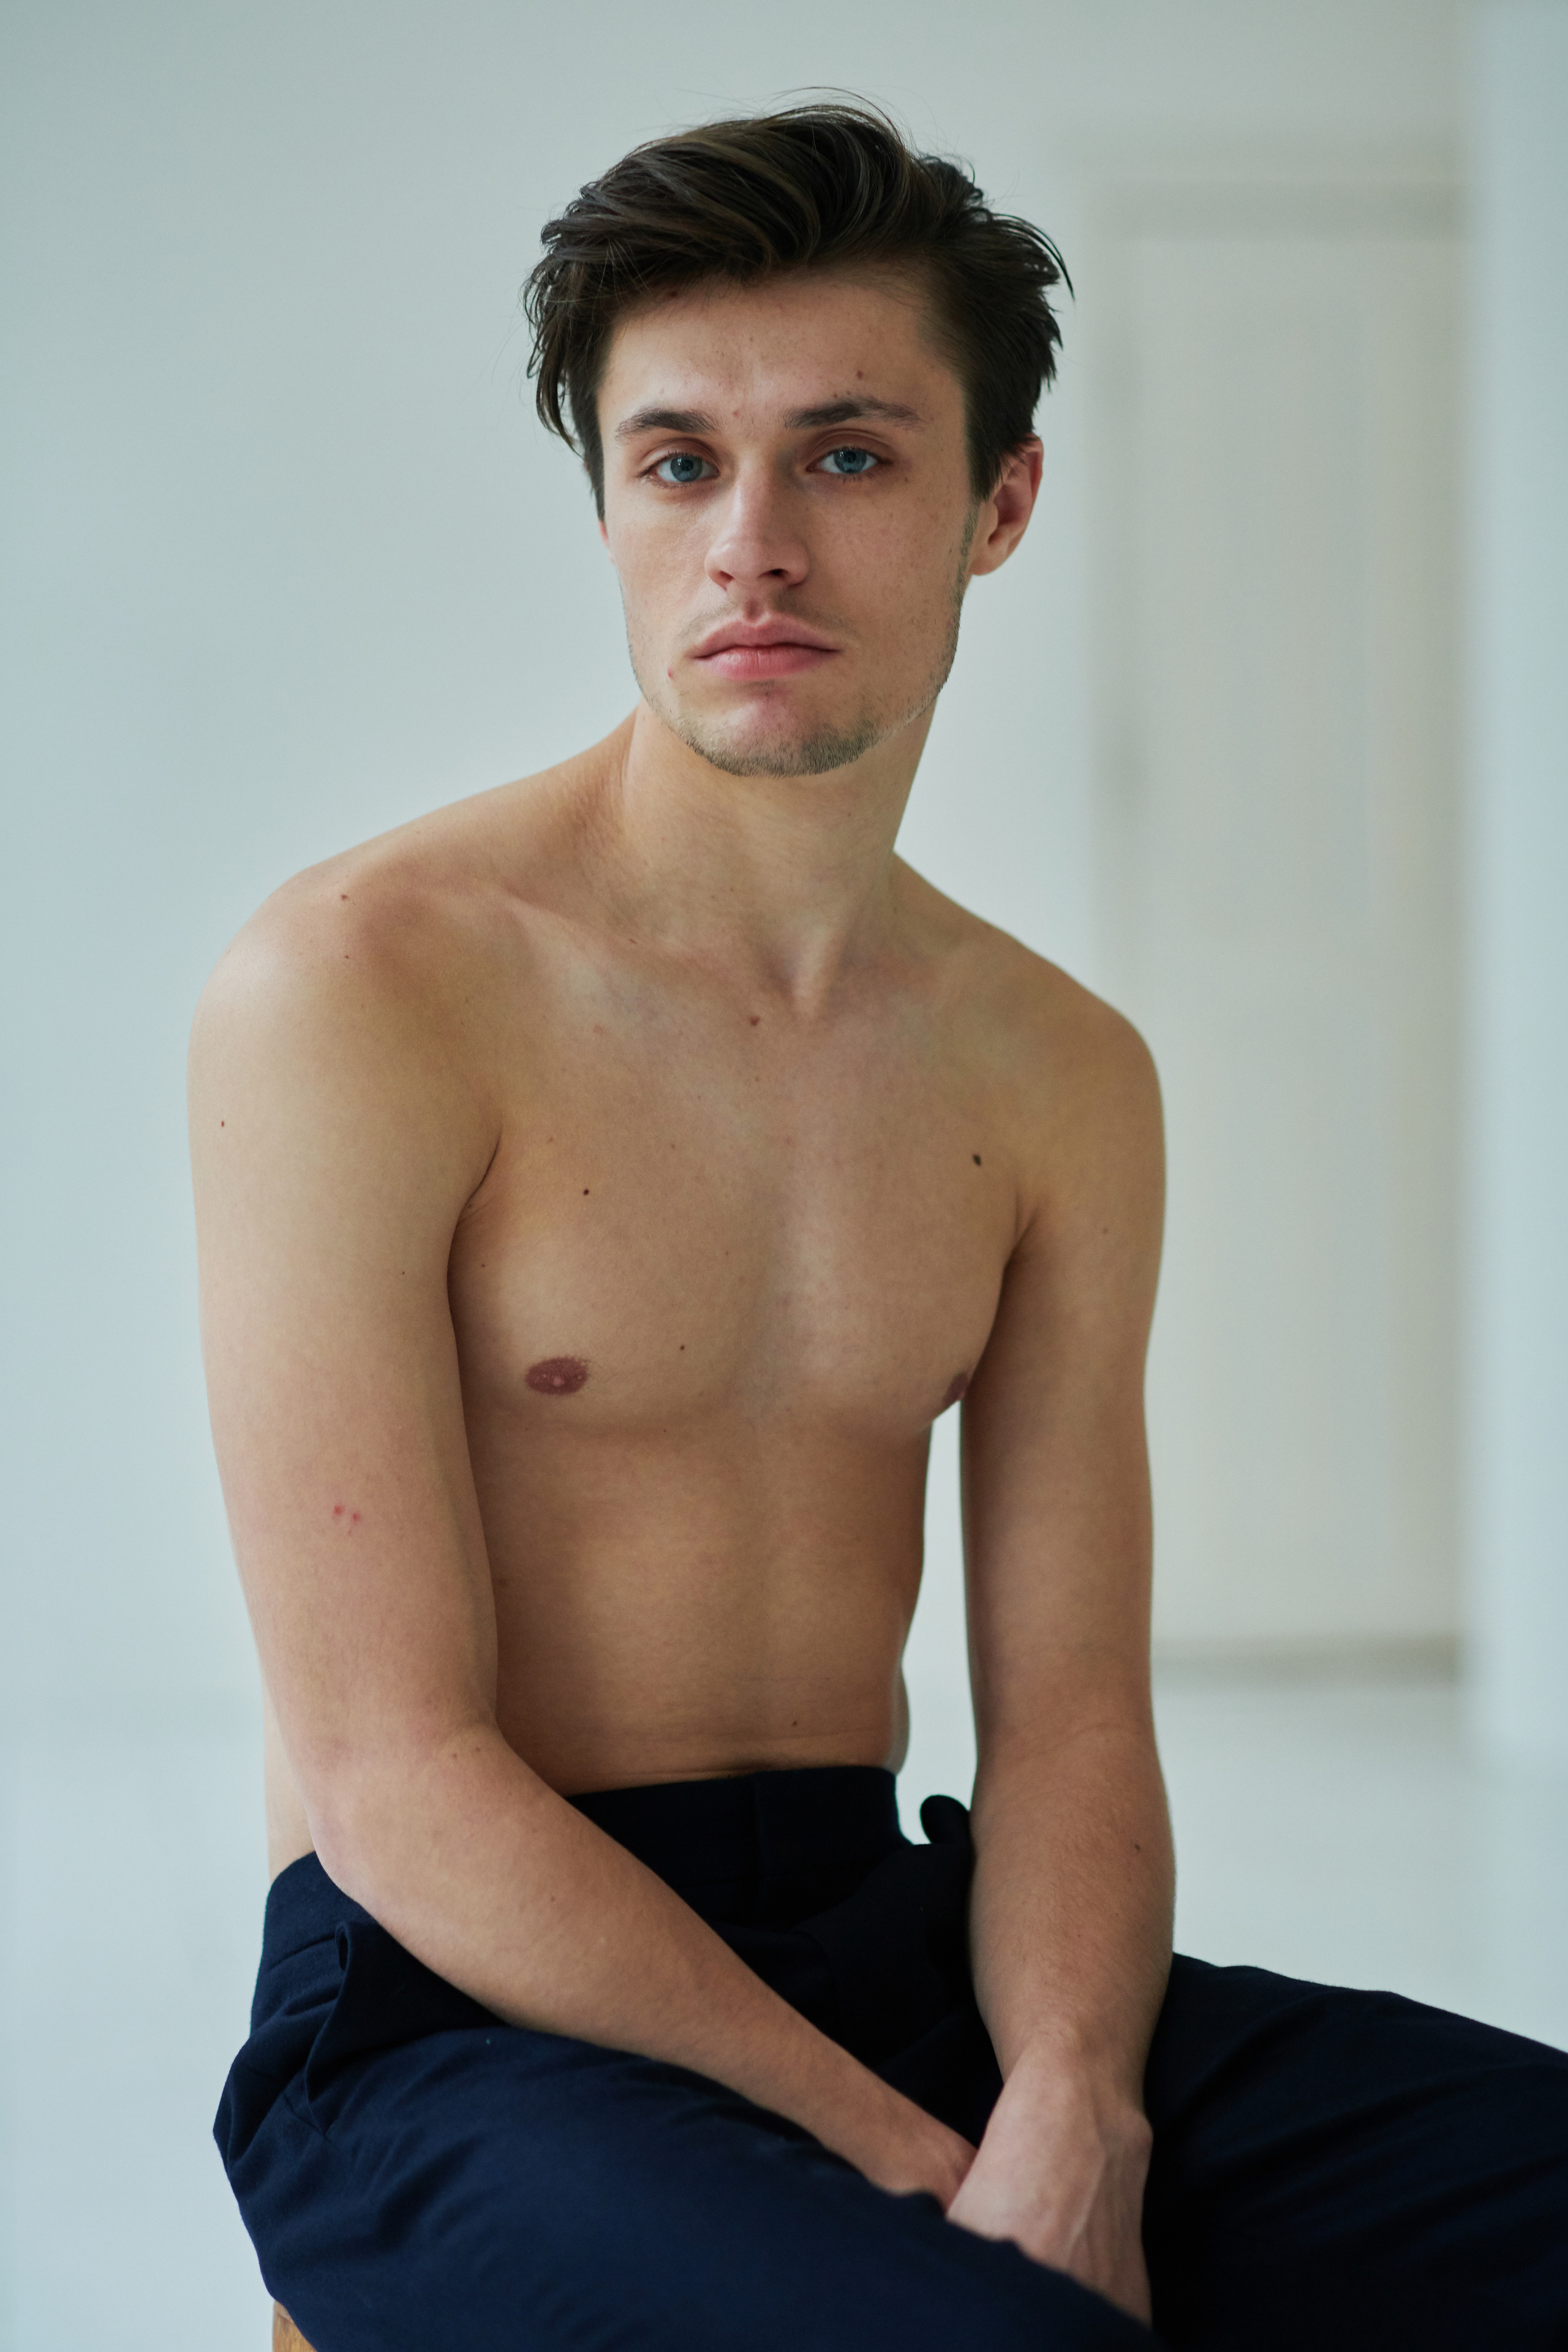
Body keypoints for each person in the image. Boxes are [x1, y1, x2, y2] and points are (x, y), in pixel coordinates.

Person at [195, 102, 1567, 2352]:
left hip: (888, 1935)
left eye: (845, 457)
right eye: (675, 464)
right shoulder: (361, 991)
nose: (752, 547)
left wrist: (1075, 2106)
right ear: (609, 507)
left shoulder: (1053, 1073)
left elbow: (1071, 1719)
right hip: (451, 2017)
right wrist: (914, 2163)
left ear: (997, 502)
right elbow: (385, 1771)